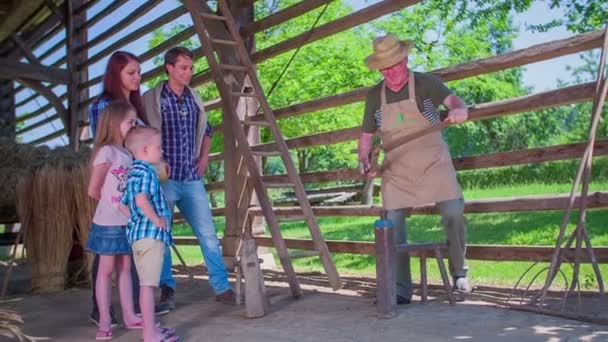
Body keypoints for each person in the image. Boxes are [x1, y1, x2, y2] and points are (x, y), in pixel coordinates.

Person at [358, 34, 472, 304]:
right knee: (391, 223)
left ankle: (460, 272)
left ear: (405, 60)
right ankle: (400, 289)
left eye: (394, 65)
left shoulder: (426, 84)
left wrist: (460, 110)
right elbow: (366, 138)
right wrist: (364, 161)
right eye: (384, 68)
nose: (390, 72)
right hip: (397, 170)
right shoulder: (375, 96)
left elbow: (454, 102)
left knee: (453, 211)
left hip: (434, 162)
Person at [142, 47, 234, 312]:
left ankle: (221, 287)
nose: (188, 72)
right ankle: (167, 290)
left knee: (207, 233)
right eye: (183, 67)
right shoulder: (153, 99)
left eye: (191, 68)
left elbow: (207, 129)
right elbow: (144, 134)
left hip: (192, 178)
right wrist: (155, 165)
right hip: (165, 180)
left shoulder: (195, 97)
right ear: (169, 68)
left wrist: (204, 158)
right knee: (162, 234)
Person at [88, 51, 166, 327]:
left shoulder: (135, 105)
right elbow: (110, 146)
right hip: (117, 194)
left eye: (139, 72)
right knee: (107, 259)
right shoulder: (106, 107)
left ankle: (131, 309)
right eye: (131, 72)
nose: (137, 78)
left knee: (126, 257)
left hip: (133, 190)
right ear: (116, 74)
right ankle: (102, 311)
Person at [85, 101, 143, 340]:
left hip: (126, 222)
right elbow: (94, 190)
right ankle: (105, 320)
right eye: (130, 122)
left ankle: (129, 315)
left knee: (126, 268)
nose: (134, 125)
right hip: (108, 223)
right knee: (105, 271)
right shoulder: (106, 152)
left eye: (135, 121)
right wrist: (113, 206)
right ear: (114, 123)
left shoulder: (128, 154)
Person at [120, 126, 180, 342]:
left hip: (137, 237)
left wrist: (136, 220)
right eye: (159, 147)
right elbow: (141, 200)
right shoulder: (146, 172)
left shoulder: (132, 173)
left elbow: (123, 206)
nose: (162, 151)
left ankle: (150, 330)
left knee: (146, 284)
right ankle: (150, 334)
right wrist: (155, 220)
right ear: (145, 150)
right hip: (151, 236)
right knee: (148, 287)